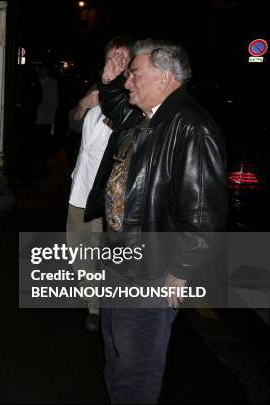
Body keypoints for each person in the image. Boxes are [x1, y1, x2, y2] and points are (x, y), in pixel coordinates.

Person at [85, 39, 227, 403]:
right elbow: (117, 105)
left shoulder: (191, 126)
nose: (130, 81)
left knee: (137, 369)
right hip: (120, 259)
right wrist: (110, 79)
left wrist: (180, 270)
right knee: (116, 352)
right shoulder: (149, 115)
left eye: (136, 74)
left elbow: (202, 213)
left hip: (151, 269)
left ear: (163, 78)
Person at [67, 37, 133, 333]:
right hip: (80, 187)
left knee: (108, 254)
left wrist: (111, 96)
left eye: (123, 57)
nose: (116, 61)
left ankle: (105, 309)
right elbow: (73, 123)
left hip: (109, 195)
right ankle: (92, 304)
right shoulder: (97, 90)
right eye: (112, 56)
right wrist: (84, 103)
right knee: (79, 251)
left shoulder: (132, 97)